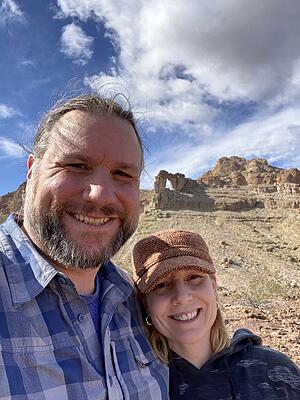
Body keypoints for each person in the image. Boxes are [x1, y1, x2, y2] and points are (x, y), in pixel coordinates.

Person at [0, 94, 169, 400]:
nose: (101, 194)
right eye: (77, 165)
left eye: (122, 174)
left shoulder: (138, 300)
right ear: (31, 170)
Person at [132, 229, 300, 400]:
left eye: (193, 277)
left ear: (213, 286)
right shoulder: (135, 385)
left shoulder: (276, 371)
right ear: (144, 301)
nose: (182, 297)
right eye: (162, 285)